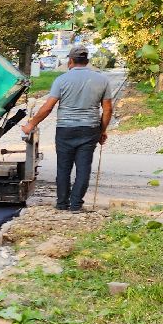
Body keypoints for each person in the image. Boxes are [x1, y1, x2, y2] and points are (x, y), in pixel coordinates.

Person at [20, 45, 113, 211]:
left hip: (65, 130)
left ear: (70, 61)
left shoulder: (61, 80)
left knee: (64, 167)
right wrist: (102, 130)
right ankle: (76, 205)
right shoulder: (102, 80)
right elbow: (107, 109)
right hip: (89, 129)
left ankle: (62, 203)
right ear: (88, 61)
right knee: (84, 168)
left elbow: (48, 107)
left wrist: (31, 125)